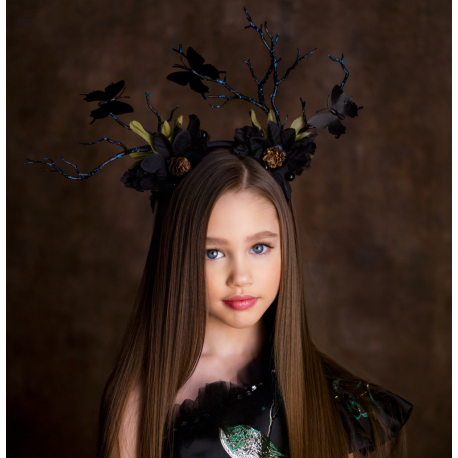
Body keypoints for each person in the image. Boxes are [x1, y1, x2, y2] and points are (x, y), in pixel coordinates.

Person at [26, 9, 413, 458]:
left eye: (261, 247)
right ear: (178, 258)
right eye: (213, 253)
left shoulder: (334, 399)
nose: (241, 276)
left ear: (287, 247)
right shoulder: (144, 403)